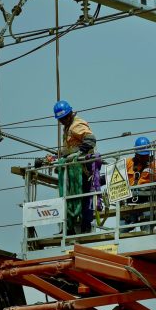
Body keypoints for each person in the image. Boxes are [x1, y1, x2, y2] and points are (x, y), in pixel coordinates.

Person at [53, 100, 98, 234]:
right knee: (69, 196)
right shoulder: (67, 127)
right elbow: (69, 148)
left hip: (83, 166)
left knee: (84, 196)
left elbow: (91, 139)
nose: (62, 121)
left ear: (70, 114)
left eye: (64, 118)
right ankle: (69, 227)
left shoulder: (76, 124)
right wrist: (56, 157)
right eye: (60, 119)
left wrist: (79, 154)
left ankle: (85, 226)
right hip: (72, 166)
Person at [122, 136, 156, 232]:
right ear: (136, 152)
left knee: (147, 231)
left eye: (145, 155)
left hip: (148, 203)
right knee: (121, 231)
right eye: (141, 155)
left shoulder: (155, 165)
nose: (143, 157)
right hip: (130, 203)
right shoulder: (128, 163)